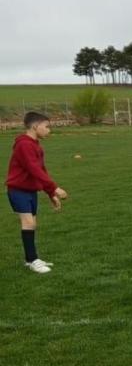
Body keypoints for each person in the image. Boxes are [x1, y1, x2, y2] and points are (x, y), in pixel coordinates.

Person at [6, 112, 68, 274]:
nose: (49, 130)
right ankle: (33, 260)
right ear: (35, 126)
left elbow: (41, 171)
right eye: (46, 126)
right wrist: (55, 187)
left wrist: (50, 193)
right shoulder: (24, 145)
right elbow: (33, 169)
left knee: (32, 224)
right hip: (18, 190)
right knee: (28, 223)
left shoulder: (35, 145)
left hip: (30, 191)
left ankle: (30, 259)